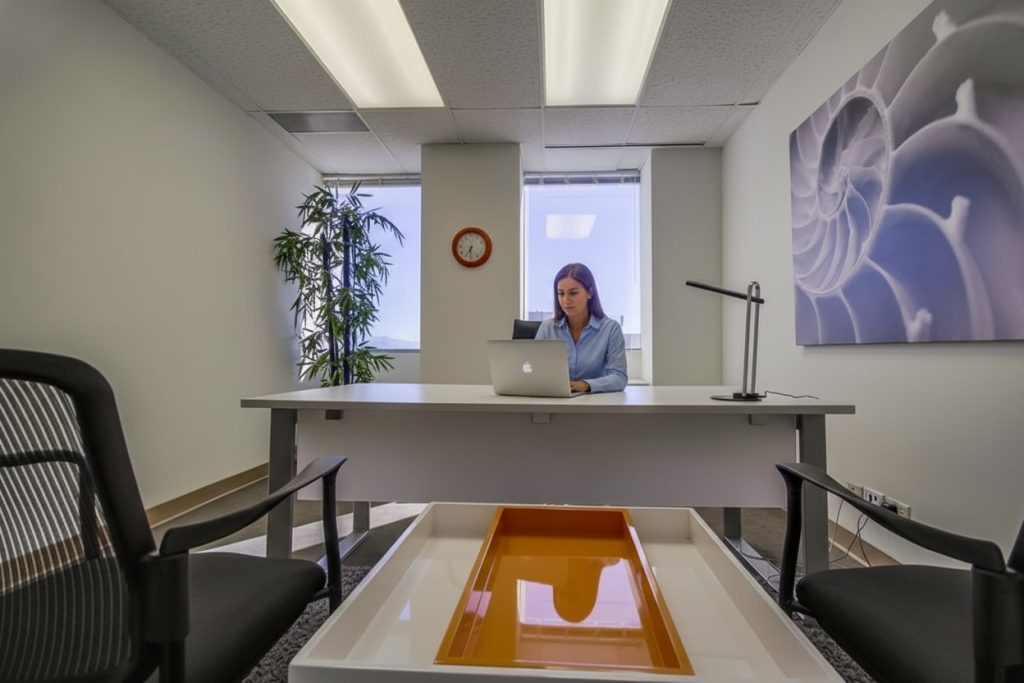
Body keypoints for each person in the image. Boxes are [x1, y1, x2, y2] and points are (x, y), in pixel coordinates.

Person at [535, 263, 627, 393]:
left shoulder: (611, 329)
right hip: (555, 403)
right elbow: (535, 373)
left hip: (595, 405)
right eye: (561, 293)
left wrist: (585, 385)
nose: (566, 300)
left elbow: (619, 378)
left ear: (590, 293)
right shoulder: (547, 329)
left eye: (573, 293)